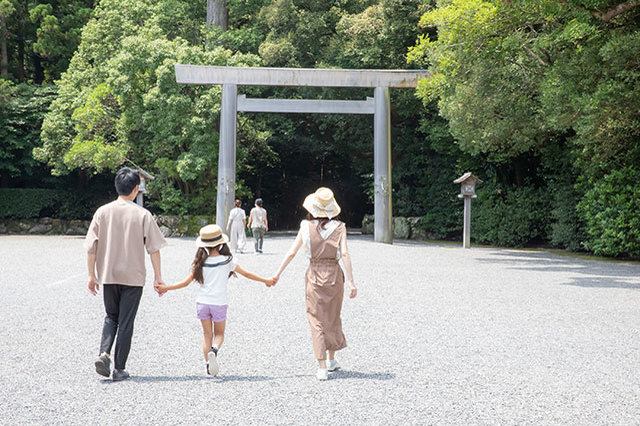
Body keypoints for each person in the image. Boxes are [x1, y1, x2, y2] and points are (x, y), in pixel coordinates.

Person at [155, 224, 274, 376]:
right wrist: (266, 280)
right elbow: (247, 274)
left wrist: (166, 288)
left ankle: (208, 367)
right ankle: (214, 350)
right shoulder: (228, 260)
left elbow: (184, 283)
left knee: (206, 335)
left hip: (202, 303)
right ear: (221, 243)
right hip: (219, 303)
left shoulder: (200, 263)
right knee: (219, 334)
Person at [85, 167, 167, 381]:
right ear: (135, 190)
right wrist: (158, 277)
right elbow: (154, 249)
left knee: (111, 316)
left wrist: (91, 275)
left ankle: (104, 353)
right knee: (126, 320)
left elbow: (91, 247)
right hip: (133, 276)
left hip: (108, 274)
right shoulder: (142, 214)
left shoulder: (102, 212)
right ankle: (119, 368)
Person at [273, 187, 357, 381]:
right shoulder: (340, 227)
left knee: (315, 318)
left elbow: (292, 252)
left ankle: (321, 366)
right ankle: (331, 359)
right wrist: (352, 282)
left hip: (314, 274)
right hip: (335, 275)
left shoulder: (305, 226)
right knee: (332, 316)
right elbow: (344, 254)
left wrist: (277, 274)